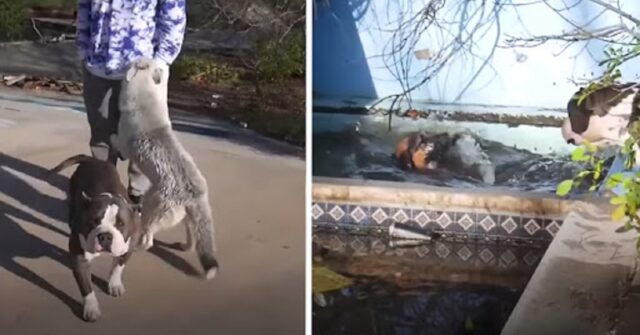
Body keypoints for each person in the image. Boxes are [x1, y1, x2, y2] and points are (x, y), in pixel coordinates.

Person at [75, 0, 187, 204]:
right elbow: (84, 9)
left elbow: (173, 16)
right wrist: (83, 50)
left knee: (144, 138)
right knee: (101, 138)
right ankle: (104, 192)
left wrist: (161, 62)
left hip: (142, 71)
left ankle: (138, 197)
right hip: (98, 68)